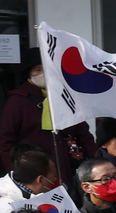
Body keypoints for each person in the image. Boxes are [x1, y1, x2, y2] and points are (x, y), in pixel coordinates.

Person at [0, 46, 97, 183]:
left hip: (66, 170)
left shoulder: (66, 97)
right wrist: (15, 175)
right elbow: (5, 142)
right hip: (33, 175)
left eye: (47, 68)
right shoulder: (18, 101)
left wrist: (96, 163)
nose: (43, 73)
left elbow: (83, 134)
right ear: (29, 74)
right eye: (37, 69)